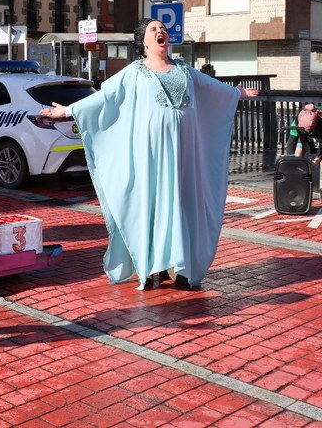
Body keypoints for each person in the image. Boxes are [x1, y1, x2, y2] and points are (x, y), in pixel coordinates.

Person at [40, 18, 258, 288]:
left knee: (182, 202)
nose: (161, 32)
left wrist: (236, 93)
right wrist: (68, 110)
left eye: (163, 29)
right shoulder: (134, 72)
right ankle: (155, 264)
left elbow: (212, 88)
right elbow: (104, 97)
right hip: (150, 154)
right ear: (143, 41)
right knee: (154, 203)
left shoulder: (186, 71)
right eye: (154, 29)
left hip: (184, 154)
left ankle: (182, 266)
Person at [285, 103, 322, 206]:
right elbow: (291, 144)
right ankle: (298, 188)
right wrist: (292, 163)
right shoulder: (298, 120)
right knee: (297, 155)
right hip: (308, 136)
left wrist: (319, 157)